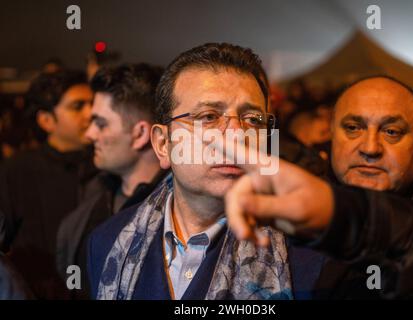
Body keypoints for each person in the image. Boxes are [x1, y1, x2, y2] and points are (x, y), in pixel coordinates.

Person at [87, 43, 326, 300]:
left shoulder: (310, 257)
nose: (236, 134)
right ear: (163, 144)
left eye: (253, 120)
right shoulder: (107, 242)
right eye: (209, 116)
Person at [224, 76, 413, 299]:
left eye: (391, 132)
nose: (370, 148)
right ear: (330, 133)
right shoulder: (284, 214)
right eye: (353, 128)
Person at [56, 64, 168, 299]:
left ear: (139, 134)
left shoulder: (180, 212)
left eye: (101, 124)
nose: (89, 134)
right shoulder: (92, 197)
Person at [0, 70, 97, 299]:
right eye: (77, 106)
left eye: (93, 103)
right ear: (46, 120)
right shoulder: (17, 170)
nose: (90, 113)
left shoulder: (106, 167)